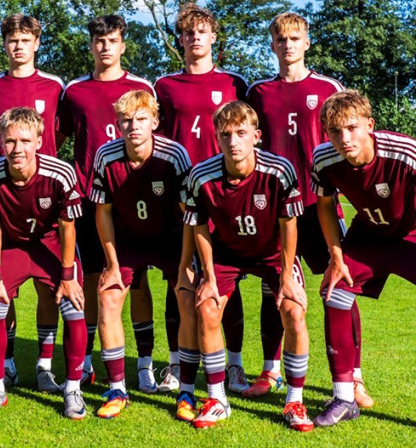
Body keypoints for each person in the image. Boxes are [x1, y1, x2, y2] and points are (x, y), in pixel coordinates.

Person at [311, 90, 416, 446]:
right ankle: (344, 397)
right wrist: (336, 255)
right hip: (369, 236)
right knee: (334, 293)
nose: (343, 139)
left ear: (370, 126)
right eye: (334, 131)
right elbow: (325, 207)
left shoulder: (405, 151)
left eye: (352, 128)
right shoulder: (324, 159)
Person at [244, 12, 372, 406]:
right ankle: (271, 371)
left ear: (307, 42)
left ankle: (354, 377)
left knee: (339, 288)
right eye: (281, 40)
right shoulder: (258, 92)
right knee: (274, 290)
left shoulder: (328, 88)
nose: (288, 46)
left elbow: (347, 138)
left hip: (320, 205)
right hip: (278, 209)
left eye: (295, 38)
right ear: (272, 45)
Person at [182, 101, 313, 431]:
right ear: (216, 138)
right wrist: (209, 277)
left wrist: (286, 275)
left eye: (241, 133)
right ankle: (216, 399)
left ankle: (294, 400)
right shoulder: (201, 176)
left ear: (256, 136)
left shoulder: (279, 171)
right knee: (207, 307)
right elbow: (198, 228)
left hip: (272, 252)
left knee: (294, 310)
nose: (234, 141)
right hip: (226, 253)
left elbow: (289, 224)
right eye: (226, 135)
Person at [58, 15, 163, 392]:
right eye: (99, 41)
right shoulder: (74, 91)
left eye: (112, 40)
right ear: (92, 46)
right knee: (91, 281)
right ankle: (86, 361)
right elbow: (58, 138)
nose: (105, 47)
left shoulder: (140, 87)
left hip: (131, 200)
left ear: (123, 44)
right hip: (89, 198)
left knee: (137, 283)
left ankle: (145, 362)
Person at [154, 2, 250, 395]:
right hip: (178, 194)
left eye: (202, 32)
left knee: (228, 280)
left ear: (213, 37)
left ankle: (236, 365)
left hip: (222, 194)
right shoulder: (163, 85)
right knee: (179, 279)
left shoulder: (235, 83)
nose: (195, 38)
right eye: (188, 33)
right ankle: (176, 363)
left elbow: (247, 132)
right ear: (180, 40)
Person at [0, 14, 66, 393]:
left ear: (37, 44)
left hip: (46, 202)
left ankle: (43, 366)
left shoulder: (56, 87)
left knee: (49, 288)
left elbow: (69, 132)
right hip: (4, 203)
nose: (18, 46)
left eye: (25, 39)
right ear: (4, 45)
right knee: (0, 291)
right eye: (12, 40)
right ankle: (7, 362)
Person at [0, 107, 88, 420]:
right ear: (0, 141)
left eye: (25, 140)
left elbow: (67, 227)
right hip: (11, 245)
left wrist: (67, 276)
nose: (17, 149)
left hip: (50, 244)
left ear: (40, 140)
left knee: (73, 305)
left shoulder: (60, 173)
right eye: (10, 141)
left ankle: (72, 387)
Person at [91, 91, 191, 418]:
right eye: (126, 120)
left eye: (141, 119)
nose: (133, 126)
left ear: (155, 122)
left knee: (188, 297)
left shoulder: (174, 155)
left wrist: (189, 260)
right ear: (117, 124)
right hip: (129, 239)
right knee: (108, 296)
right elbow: (103, 214)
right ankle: (117, 387)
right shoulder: (106, 156)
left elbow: (188, 212)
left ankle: (186, 389)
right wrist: (112, 264)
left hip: (171, 237)